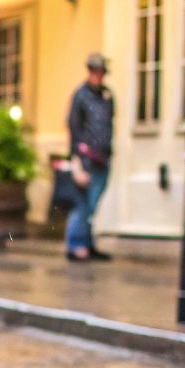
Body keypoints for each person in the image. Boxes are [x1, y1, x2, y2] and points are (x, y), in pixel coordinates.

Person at [65, 52, 116, 263]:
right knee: (82, 204)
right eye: (96, 71)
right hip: (86, 159)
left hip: (102, 158)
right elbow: (74, 128)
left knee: (92, 206)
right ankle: (75, 244)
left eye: (101, 72)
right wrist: (76, 161)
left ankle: (86, 243)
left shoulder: (107, 95)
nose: (99, 75)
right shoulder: (81, 95)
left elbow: (109, 123)